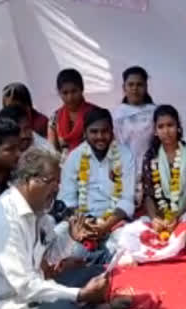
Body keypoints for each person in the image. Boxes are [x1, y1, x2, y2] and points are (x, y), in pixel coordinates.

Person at [0, 149, 135, 309]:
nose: (57, 188)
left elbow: (50, 255)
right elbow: (26, 287)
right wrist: (81, 294)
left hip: (29, 298)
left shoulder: (37, 210)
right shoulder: (3, 220)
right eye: (52, 181)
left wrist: (71, 236)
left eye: (58, 181)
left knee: (94, 272)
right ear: (29, 181)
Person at [116, 105, 186, 263]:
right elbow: (148, 195)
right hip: (161, 217)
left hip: (185, 212)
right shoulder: (151, 155)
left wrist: (176, 217)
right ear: (155, 131)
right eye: (161, 126)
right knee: (129, 231)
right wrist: (154, 219)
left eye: (170, 125)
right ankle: (171, 244)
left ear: (178, 127)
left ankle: (173, 242)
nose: (166, 131)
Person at [58, 108, 136, 264]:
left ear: (112, 131)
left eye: (105, 131)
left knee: (128, 248)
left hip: (115, 222)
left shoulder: (125, 155)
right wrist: (84, 224)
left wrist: (105, 226)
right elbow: (67, 199)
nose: (100, 137)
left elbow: (127, 199)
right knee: (69, 248)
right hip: (82, 222)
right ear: (85, 133)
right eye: (94, 132)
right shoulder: (75, 157)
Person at [112, 66, 156, 203]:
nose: (135, 88)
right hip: (125, 168)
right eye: (130, 84)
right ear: (123, 87)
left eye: (139, 84)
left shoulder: (156, 112)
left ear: (146, 86)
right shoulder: (116, 114)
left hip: (152, 167)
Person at [48, 69, 96, 155]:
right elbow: (52, 152)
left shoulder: (95, 114)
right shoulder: (55, 118)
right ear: (59, 93)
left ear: (82, 89)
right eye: (65, 93)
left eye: (74, 91)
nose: (70, 97)